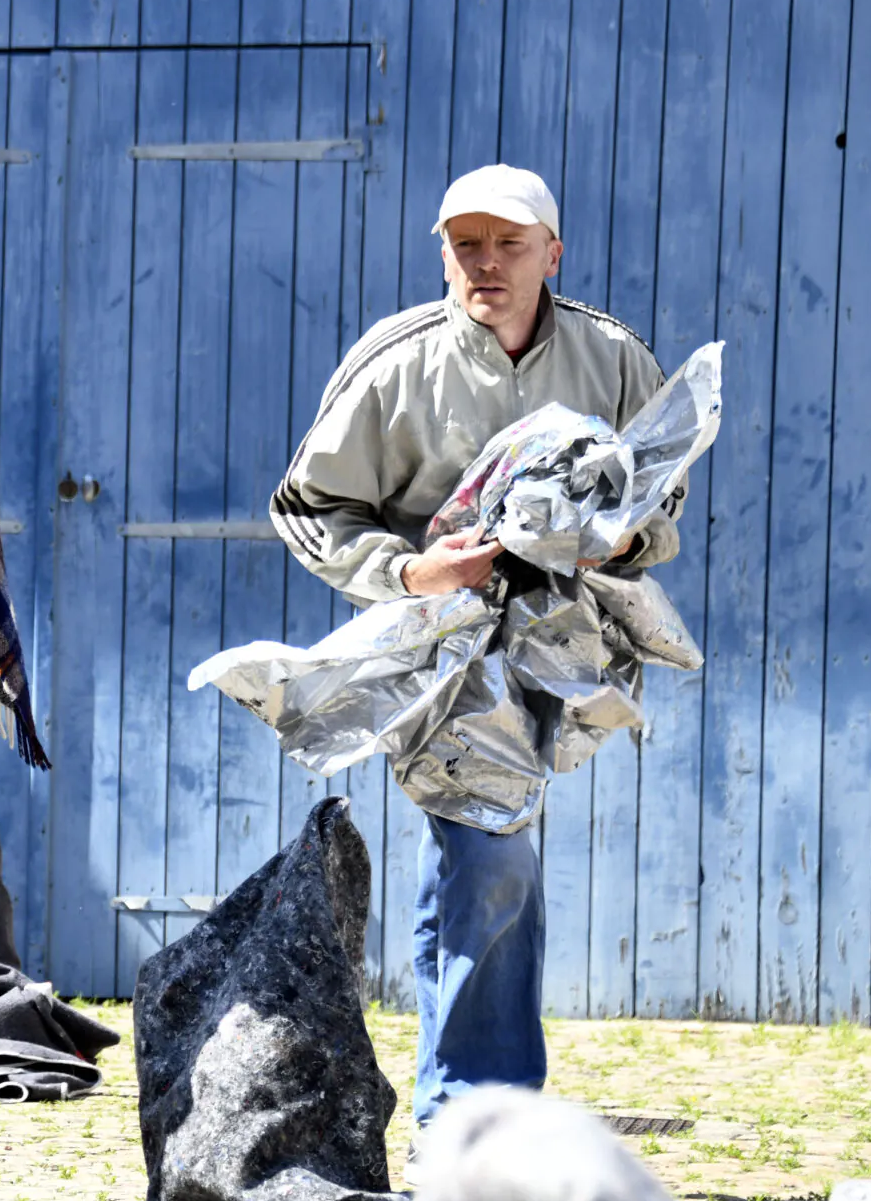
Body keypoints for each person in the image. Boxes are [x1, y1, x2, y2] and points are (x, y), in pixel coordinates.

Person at [269, 164, 683, 1129]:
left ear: (553, 253)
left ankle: (449, 1098)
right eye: (466, 245)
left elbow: (664, 501)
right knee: (491, 851)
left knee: (470, 856)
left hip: (562, 640)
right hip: (439, 646)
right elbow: (306, 508)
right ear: (443, 253)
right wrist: (415, 572)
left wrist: (623, 534)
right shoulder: (396, 363)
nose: (485, 264)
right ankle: (477, 1118)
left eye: (508, 244)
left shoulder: (616, 359)